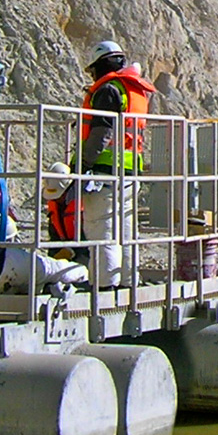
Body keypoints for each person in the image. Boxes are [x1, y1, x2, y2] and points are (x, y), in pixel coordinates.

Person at [78, 39, 155, 287]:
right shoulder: (134, 90)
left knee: (102, 229)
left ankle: (104, 285)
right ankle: (128, 281)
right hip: (130, 171)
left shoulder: (109, 90)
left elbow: (102, 133)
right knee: (126, 231)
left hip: (105, 171)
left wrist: (83, 163)